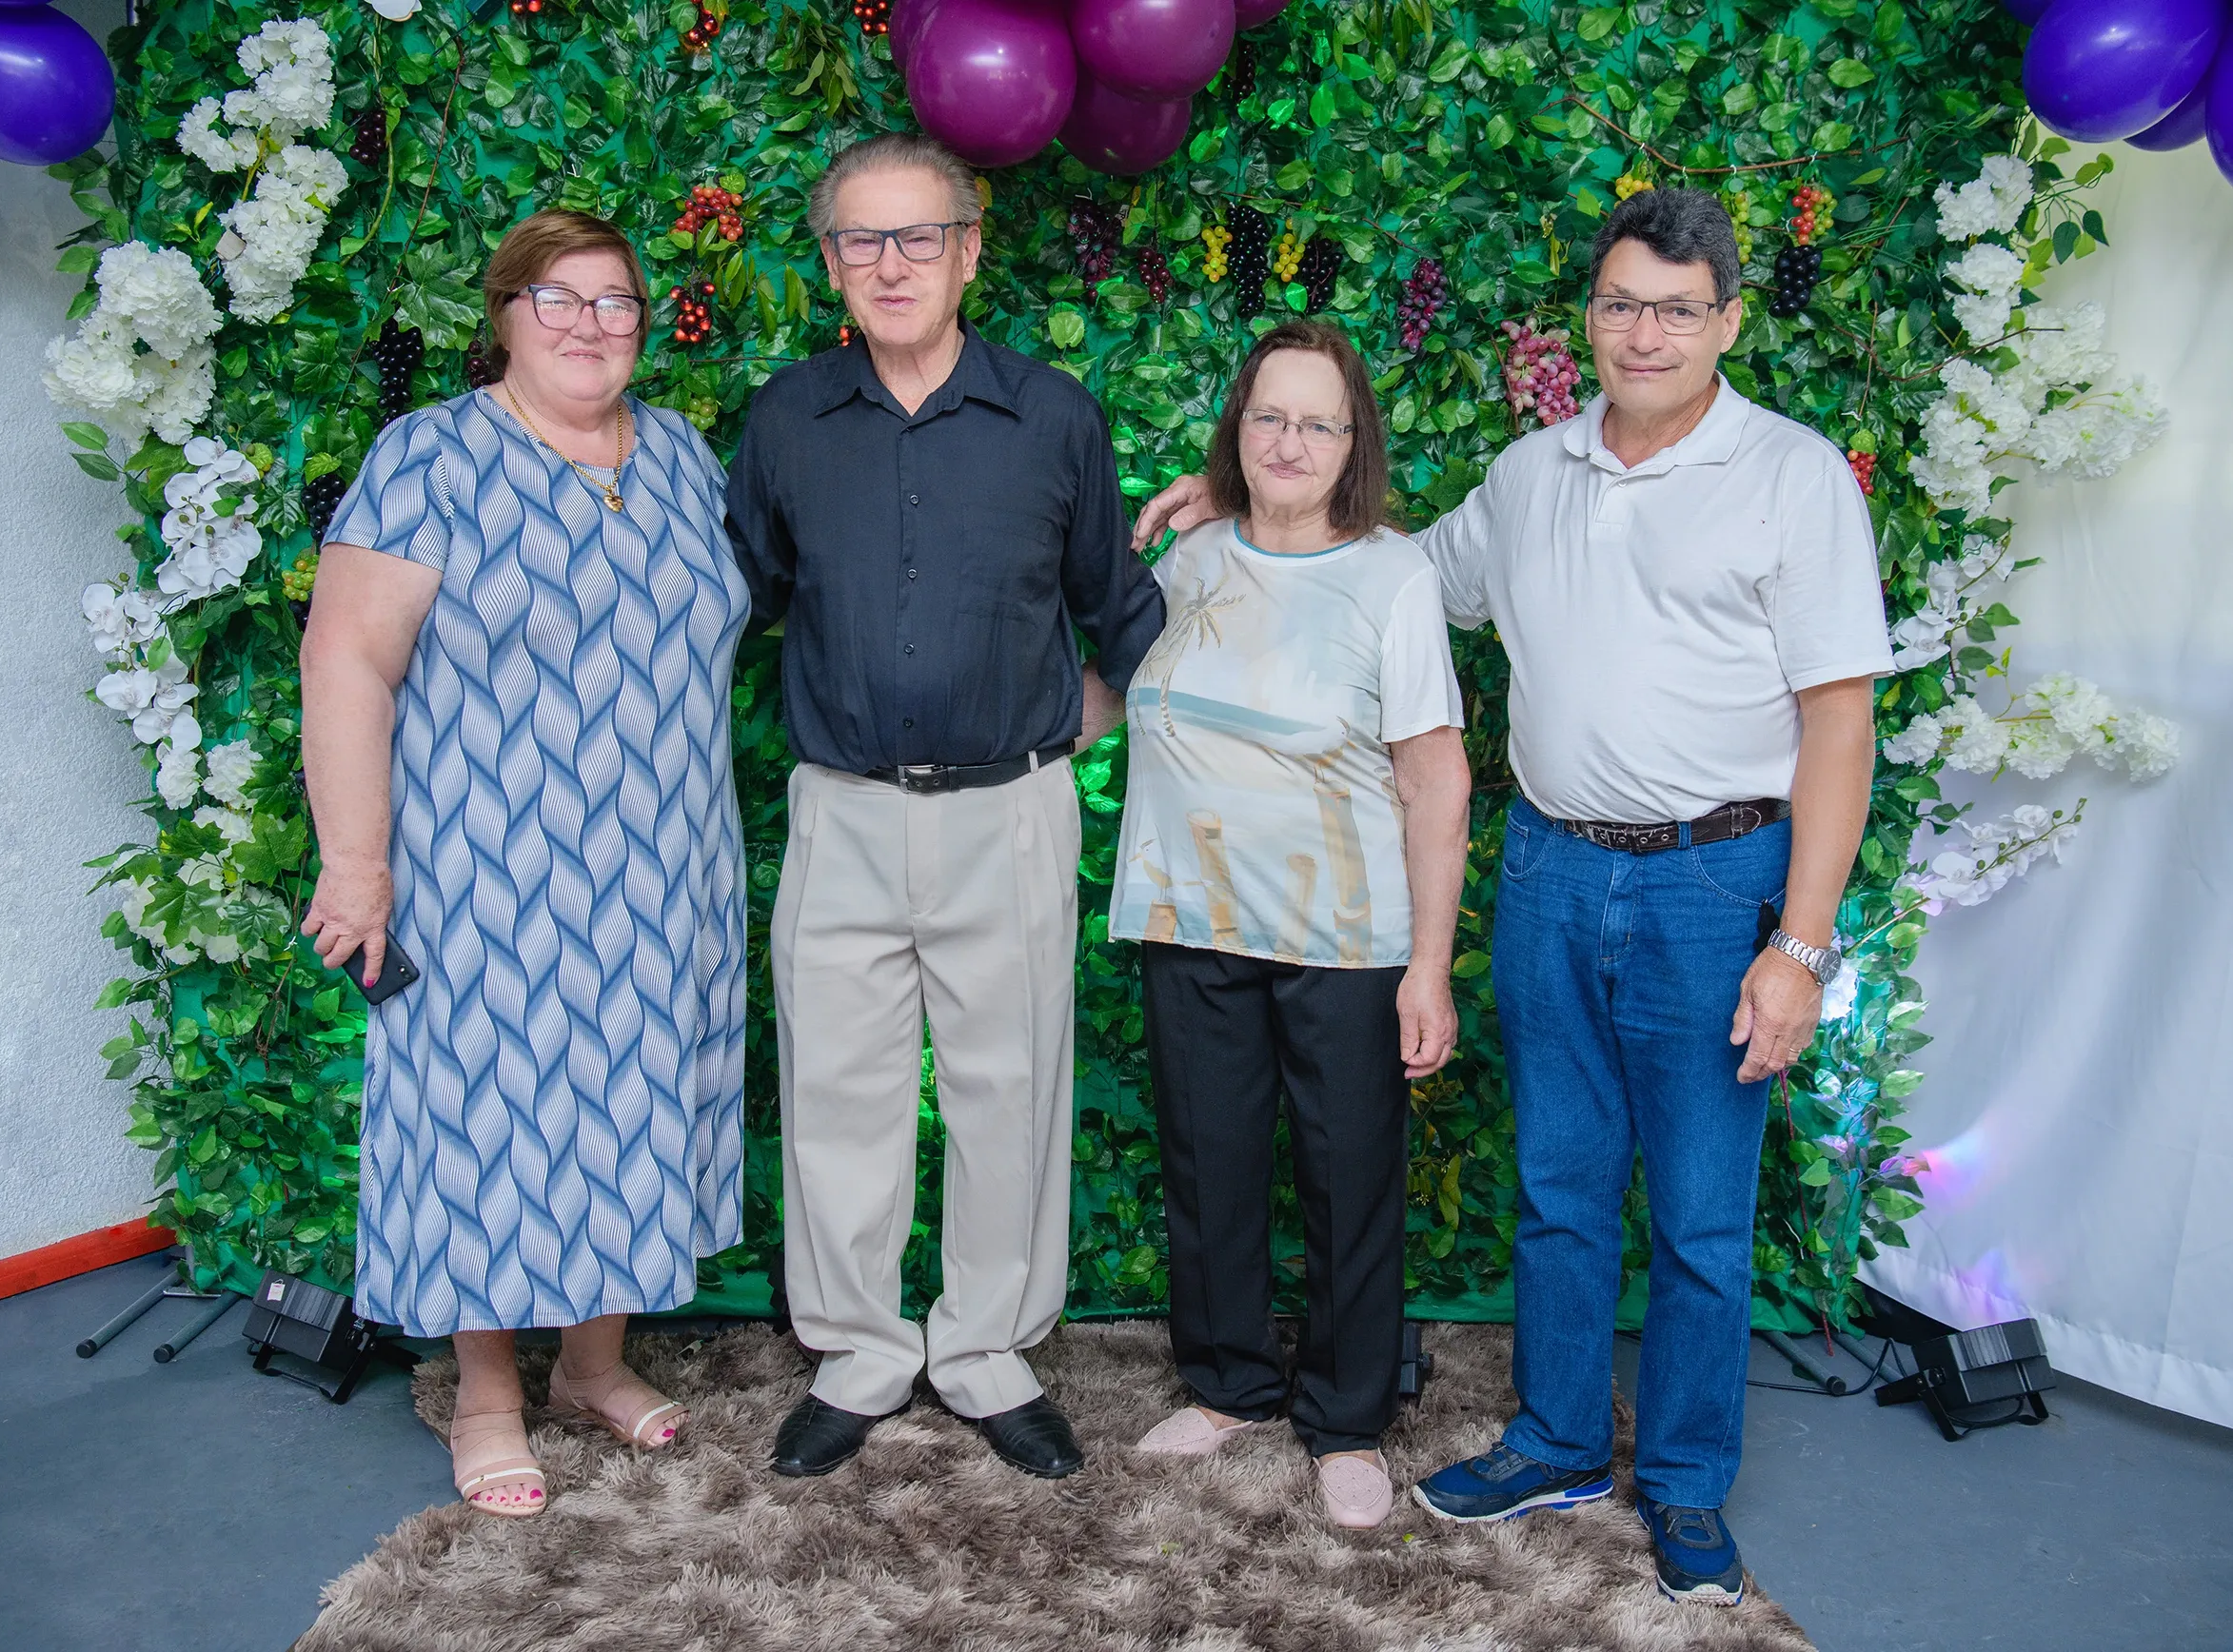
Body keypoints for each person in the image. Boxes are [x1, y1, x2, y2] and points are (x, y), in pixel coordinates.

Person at [1134, 189, 1889, 1602]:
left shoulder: (1793, 478)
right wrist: (1245, 501)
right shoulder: (1532, 472)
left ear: (1727, 320)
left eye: (1677, 309)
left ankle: (1682, 1481)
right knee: (1558, 1188)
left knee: (1699, 1215)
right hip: (1549, 867)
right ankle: (1555, 1440)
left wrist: (1799, 942)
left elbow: (1839, 723)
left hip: (1714, 875)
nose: (1644, 333)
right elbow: (1378, 572)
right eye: (1620, 304)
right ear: (1586, 318)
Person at [723, 131, 1164, 1481]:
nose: (891, 262)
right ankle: (857, 1350)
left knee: (1008, 1089)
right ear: (830, 264)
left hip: (1009, 813)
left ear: (969, 251)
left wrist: (1067, 730)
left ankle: (986, 1350)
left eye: (919, 235)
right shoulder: (786, 420)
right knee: (835, 1092)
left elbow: (1121, 610)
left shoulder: (1054, 417)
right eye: (861, 239)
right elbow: (747, 599)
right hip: (842, 808)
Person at [301, 208, 752, 1518]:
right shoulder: (430, 456)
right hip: (488, 863)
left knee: (634, 1098)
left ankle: (592, 1365)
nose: (587, 324)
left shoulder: (680, 454)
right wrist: (355, 863)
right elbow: (347, 659)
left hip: (666, 866)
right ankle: (489, 1392)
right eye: (556, 298)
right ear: (504, 314)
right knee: (489, 1116)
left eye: (614, 301)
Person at [1113, 321, 1469, 1529]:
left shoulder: (1392, 577)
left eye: (1318, 423)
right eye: (1268, 416)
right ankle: (1227, 1384)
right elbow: (1119, 692)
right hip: (1192, 915)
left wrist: (1428, 965)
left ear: (1353, 442)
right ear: (1238, 427)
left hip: (1345, 938)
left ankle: (1346, 1416)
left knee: (1347, 1176)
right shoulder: (1192, 556)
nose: (1289, 441)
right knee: (1208, 1163)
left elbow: (1435, 779)